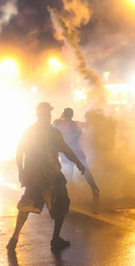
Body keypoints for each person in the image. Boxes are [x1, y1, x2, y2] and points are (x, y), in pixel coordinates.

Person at [6, 102, 87, 251]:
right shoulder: (47, 132)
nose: (48, 116)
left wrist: (22, 172)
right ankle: (48, 238)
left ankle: (16, 238)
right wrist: (78, 163)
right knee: (47, 205)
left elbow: (19, 154)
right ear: (42, 115)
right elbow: (66, 150)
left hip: (41, 176)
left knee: (45, 205)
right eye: (47, 114)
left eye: (48, 114)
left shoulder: (36, 132)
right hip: (48, 176)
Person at [53, 107, 100, 199]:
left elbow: (54, 124)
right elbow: (87, 125)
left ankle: (65, 194)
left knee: (67, 175)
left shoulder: (59, 125)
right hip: (78, 152)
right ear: (72, 115)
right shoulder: (76, 124)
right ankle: (94, 188)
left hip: (67, 154)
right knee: (86, 172)